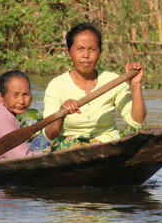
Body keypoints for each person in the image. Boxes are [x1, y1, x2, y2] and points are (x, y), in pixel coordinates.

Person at [42, 22, 146, 151]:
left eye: (92, 49)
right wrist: (61, 114)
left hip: (106, 147)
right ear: (69, 53)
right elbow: (49, 135)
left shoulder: (114, 81)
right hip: (69, 150)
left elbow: (137, 122)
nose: (86, 55)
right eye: (80, 49)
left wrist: (135, 85)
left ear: (99, 52)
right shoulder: (56, 85)